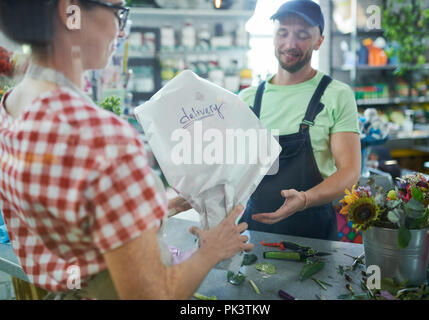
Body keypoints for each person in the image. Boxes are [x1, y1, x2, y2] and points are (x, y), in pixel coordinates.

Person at [0, 0, 253, 299]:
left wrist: (164, 204)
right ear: (70, 11)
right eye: (117, 10)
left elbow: (81, 218)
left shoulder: (11, 106)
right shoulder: (101, 137)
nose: (121, 32)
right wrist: (212, 251)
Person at [239, 0, 361, 240]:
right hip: (254, 229)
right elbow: (231, 168)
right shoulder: (248, 98)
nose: (290, 44)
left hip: (313, 230)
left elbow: (350, 171)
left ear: (319, 41)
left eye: (302, 35)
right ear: (273, 37)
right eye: (283, 33)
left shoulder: (337, 94)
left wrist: (305, 199)